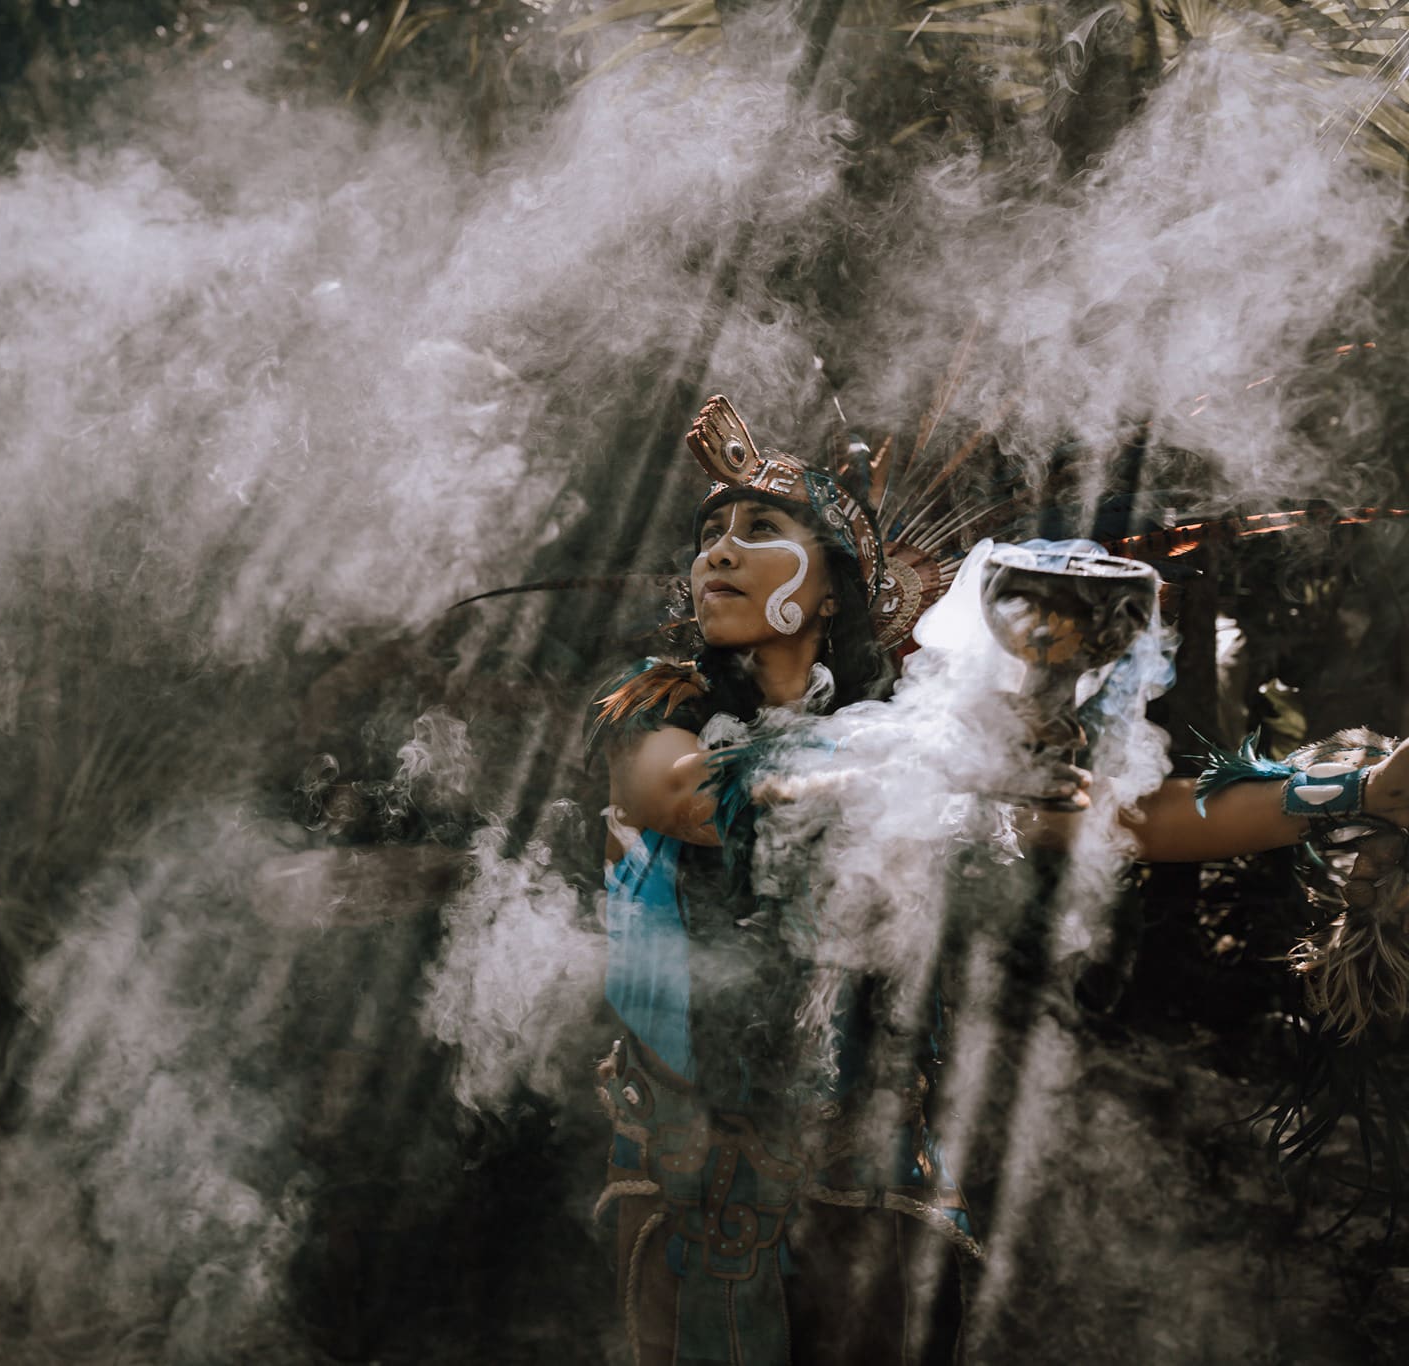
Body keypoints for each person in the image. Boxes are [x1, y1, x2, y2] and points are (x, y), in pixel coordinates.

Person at [589, 395, 1409, 1366]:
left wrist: (1353, 789)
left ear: (831, 591)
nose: (718, 551)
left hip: (870, 1155)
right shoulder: (662, 704)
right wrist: (944, 766)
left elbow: (1128, 821)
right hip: (696, 1167)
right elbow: (687, 797)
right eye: (708, 536)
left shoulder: (911, 732)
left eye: (758, 527)